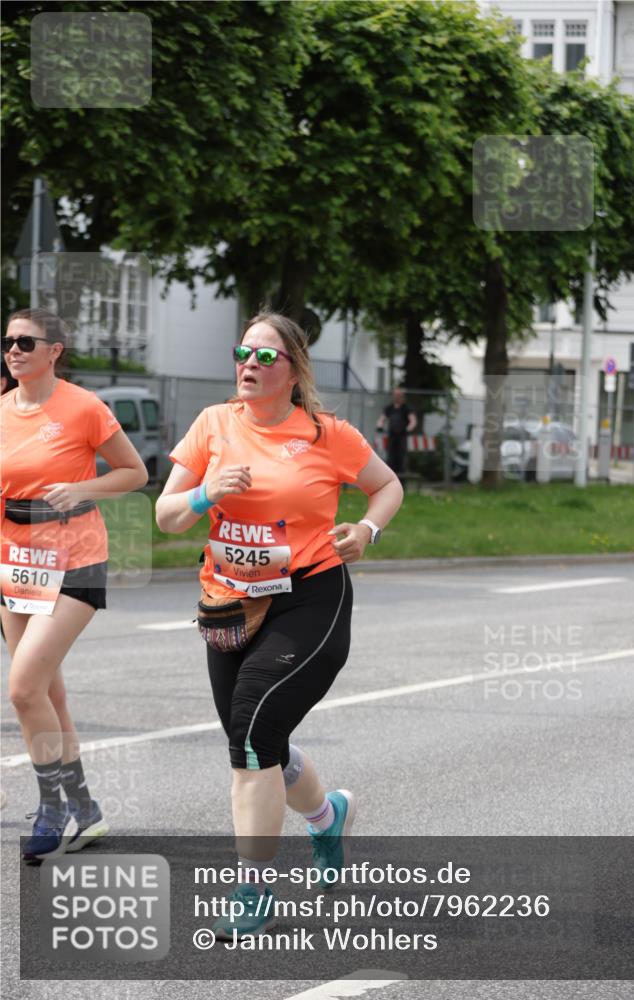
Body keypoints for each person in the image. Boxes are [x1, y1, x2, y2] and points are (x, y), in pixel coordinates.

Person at [156, 312, 403, 940]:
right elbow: (166, 517)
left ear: (293, 371)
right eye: (243, 352)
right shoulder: (213, 424)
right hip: (230, 604)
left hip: (309, 599)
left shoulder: (327, 433)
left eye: (265, 356)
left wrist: (367, 529)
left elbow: (387, 485)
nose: (249, 364)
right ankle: (327, 816)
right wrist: (206, 493)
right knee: (257, 744)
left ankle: (254, 890)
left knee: (250, 734)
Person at [1, 308, 148, 861]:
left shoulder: (83, 407)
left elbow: (133, 473)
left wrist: (81, 486)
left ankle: (51, 809)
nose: (13, 350)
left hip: (74, 561)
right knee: (45, 693)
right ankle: (86, 810)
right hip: (14, 564)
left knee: (22, 689)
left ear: (54, 350)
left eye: (25, 342)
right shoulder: (1, 411)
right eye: (8, 341)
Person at [376, 386, 417, 486]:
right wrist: (379, 426)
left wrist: (407, 429)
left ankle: (402, 484)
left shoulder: (407, 408)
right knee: (390, 459)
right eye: (395, 395)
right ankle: (390, 483)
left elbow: (413, 421)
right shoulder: (389, 408)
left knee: (401, 460)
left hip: (402, 438)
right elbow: (382, 419)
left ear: (403, 396)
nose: (397, 397)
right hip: (392, 438)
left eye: (399, 395)